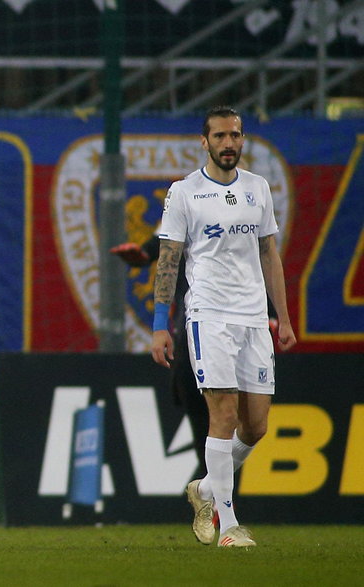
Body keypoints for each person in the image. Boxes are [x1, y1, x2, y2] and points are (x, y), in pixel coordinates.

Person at [150, 106, 296, 548]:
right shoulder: (185, 193)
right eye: (220, 136)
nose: (229, 143)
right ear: (204, 141)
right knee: (224, 415)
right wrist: (160, 324)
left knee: (255, 428)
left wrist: (284, 318)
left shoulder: (257, 189)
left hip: (254, 318)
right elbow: (169, 261)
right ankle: (227, 526)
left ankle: (206, 489)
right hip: (208, 316)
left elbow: (270, 255)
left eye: (235, 135)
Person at [111, 236, 208, 475]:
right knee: (199, 405)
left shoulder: (243, 206)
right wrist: (160, 326)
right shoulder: (184, 201)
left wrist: (270, 311)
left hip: (235, 321)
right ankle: (216, 497)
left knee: (247, 425)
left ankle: (219, 492)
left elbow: (260, 256)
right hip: (191, 323)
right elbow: (166, 241)